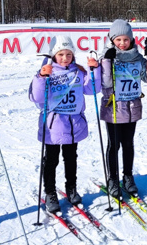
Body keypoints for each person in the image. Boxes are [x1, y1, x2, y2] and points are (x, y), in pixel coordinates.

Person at [29, 36, 100, 213]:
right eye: (61, 54)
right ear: (54, 55)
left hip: (74, 123)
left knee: (71, 158)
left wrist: (94, 70)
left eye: (69, 54)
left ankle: (71, 187)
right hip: (53, 125)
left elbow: (92, 89)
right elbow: (36, 97)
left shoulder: (79, 71)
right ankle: (50, 192)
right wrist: (41, 77)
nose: (65, 58)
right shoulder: (48, 71)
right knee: (51, 160)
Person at [99, 20, 147, 197]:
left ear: (131, 40)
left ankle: (128, 177)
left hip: (132, 106)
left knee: (128, 144)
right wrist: (107, 60)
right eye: (118, 39)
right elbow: (105, 83)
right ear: (112, 40)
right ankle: (112, 179)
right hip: (113, 107)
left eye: (126, 40)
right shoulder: (106, 56)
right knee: (114, 145)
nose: (122, 43)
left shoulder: (137, 58)